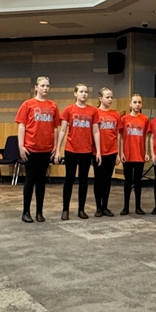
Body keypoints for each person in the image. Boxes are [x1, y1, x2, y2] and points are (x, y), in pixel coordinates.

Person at [16, 76, 60, 223]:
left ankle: (39, 212)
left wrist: (55, 146)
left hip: (46, 149)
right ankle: (26, 212)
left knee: (41, 181)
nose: (45, 88)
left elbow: (55, 127)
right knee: (30, 180)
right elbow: (21, 125)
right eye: (42, 85)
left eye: (47, 86)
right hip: (31, 148)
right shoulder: (28, 104)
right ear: (36, 87)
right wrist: (21, 146)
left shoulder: (53, 105)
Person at [57, 83, 101, 220]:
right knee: (69, 179)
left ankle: (81, 209)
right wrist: (57, 149)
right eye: (81, 91)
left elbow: (95, 131)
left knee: (84, 180)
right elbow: (63, 130)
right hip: (71, 150)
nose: (84, 94)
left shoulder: (93, 111)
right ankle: (65, 209)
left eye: (86, 92)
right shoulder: (68, 110)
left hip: (86, 150)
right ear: (75, 93)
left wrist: (98, 151)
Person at [120, 94, 149, 215]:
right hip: (127, 154)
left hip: (139, 155)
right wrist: (121, 152)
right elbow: (120, 137)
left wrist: (146, 152)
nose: (137, 105)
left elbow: (147, 137)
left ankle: (138, 206)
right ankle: (125, 207)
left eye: (139, 102)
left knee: (138, 182)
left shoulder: (145, 119)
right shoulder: (124, 119)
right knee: (127, 182)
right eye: (135, 102)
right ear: (130, 104)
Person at [94, 87, 121, 217]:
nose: (110, 99)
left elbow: (118, 135)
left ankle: (105, 206)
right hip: (98, 152)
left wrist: (118, 153)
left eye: (111, 97)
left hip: (111, 151)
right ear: (100, 98)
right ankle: (98, 207)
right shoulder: (95, 113)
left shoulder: (115, 115)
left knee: (107, 180)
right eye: (107, 97)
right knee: (98, 180)